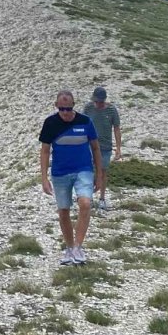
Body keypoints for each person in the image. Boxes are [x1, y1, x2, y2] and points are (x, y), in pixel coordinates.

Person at [39, 90, 103, 265]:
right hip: (60, 173)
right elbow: (45, 151)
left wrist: (99, 175)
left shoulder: (85, 122)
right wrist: (44, 178)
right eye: (62, 109)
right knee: (64, 211)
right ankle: (69, 248)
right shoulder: (50, 123)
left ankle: (78, 247)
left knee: (85, 203)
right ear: (56, 106)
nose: (65, 112)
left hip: (84, 170)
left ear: (74, 106)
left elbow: (96, 148)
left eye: (68, 108)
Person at [82, 87, 123, 212]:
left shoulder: (111, 110)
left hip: (105, 147)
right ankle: (86, 196)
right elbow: (82, 124)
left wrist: (118, 148)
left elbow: (116, 128)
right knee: (87, 170)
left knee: (103, 171)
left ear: (104, 100)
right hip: (89, 145)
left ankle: (102, 198)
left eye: (100, 101)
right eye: (96, 101)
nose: (97, 104)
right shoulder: (88, 108)